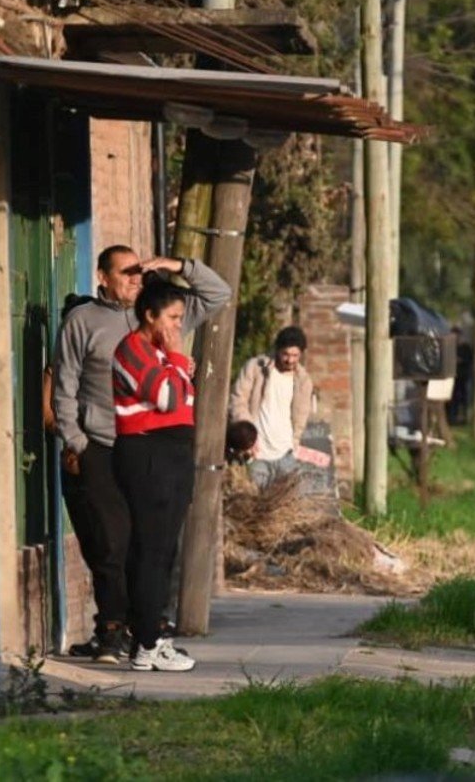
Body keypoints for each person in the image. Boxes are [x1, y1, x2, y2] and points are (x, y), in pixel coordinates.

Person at [51, 245, 229, 664]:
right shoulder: (85, 322)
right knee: (111, 541)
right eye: (125, 273)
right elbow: (65, 384)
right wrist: (75, 440)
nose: (134, 278)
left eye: (138, 272)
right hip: (103, 442)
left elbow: (218, 294)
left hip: (152, 448)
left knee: (151, 543)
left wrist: (177, 265)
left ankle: (148, 628)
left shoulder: (161, 315)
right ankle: (113, 628)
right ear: (102, 277)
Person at [111, 277, 225, 672]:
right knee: (151, 552)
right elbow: (168, 398)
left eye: (181, 319)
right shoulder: (134, 350)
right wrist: (177, 360)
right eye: (173, 318)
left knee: (163, 552)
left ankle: (151, 633)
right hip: (148, 453)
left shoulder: (161, 355)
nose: (179, 326)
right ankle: (146, 642)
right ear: (150, 315)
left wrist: (175, 363)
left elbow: (181, 399)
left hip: (172, 455)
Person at [229, 326, 314, 485]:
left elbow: (301, 418)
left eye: (295, 355)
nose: (290, 360)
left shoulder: (304, 381)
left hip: (286, 453)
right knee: (253, 503)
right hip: (257, 453)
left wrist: (294, 443)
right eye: (286, 354)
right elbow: (237, 400)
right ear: (277, 350)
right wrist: (247, 438)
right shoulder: (256, 368)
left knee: (286, 506)